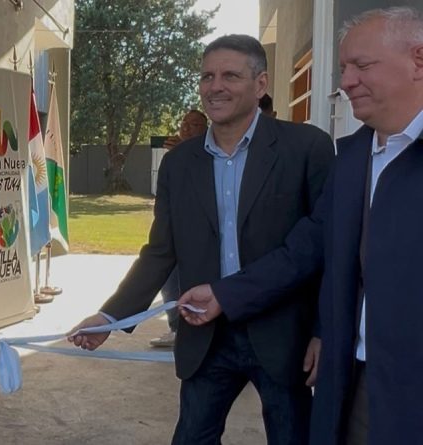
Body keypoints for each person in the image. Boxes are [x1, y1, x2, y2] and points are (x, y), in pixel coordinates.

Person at [69, 34, 334, 445]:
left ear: (261, 84)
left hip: (283, 335)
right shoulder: (178, 164)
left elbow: (322, 250)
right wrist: (111, 316)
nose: (215, 87)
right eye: (207, 76)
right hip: (206, 336)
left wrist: (323, 331)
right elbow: (160, 252)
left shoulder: (306, 147)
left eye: (230, 76)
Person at [179, 7, 423, 445]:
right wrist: (225, 295)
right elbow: (307, 250)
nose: (346, 81)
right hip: (357, 379)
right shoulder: (352, 159)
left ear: (418, 60)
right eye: (344, 68)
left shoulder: (311, 149)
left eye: (362, 65)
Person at [150, 109, 208, 348]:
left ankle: (195, 327)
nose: (186, 128)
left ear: (205, 130)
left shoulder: (210, 156)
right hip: (173, 231)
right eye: (184, 123)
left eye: (194, 124)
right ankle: (176, 328)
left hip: (200, 235)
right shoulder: (171, 159)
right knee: (169, 280)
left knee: (193, 282)